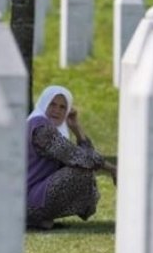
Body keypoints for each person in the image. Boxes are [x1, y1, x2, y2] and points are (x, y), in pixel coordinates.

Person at [26, 85, 117, 230]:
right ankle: (36, 218)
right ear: (44, 103)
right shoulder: (39, 126)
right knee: (80, 170)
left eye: (63, 107)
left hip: (32, 197)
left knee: (84, 166)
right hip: (25, 201)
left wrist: (76, 127)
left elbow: (84, 157)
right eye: (52, 104)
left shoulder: (54, 129)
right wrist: (111, 168)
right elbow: (76, 156)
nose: (57, 110)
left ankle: (41, 219)